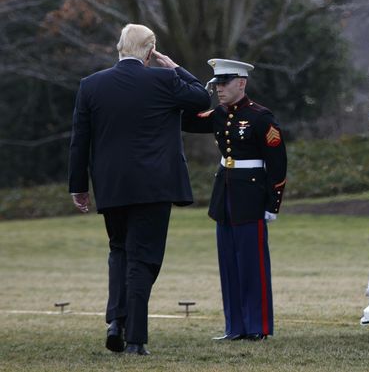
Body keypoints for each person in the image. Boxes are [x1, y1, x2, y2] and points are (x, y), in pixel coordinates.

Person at [68, 24, 211, 356]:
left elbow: (80, 141)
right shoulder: (163, 80)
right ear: (150, 52)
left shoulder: (91, 86)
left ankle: (115, 322)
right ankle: (135, 338)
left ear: (119, 48)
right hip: (154, 185)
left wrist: (79, 187)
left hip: (112, 185)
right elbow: (201, 97)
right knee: (144, 259)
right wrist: (173, 66)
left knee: (119, 251)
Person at [182, 59, 287, 341]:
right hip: (225, 196)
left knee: (252, 264)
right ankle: (235, 327)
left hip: (251, 198)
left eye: (223, 83)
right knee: (229, 265)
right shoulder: (219, 114)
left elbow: (277, 164)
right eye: (216, 84)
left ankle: (258, 327)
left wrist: (272, 204)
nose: (219, 89)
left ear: (241, 83)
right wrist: (181, 75)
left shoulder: (261, 117)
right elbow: (186, 120)